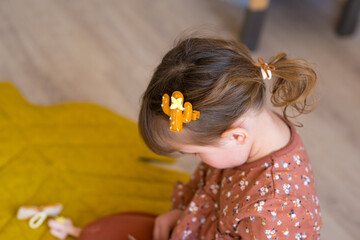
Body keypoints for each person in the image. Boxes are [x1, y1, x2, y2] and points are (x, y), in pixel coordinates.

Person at [138, 36, 322, 240]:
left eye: (196, 152)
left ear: (236, 137)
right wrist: (183, 214)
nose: (196, 158)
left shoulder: (277, 213)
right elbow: (211, 184)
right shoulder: (246, 129)